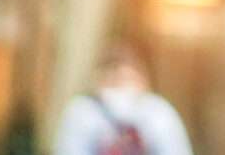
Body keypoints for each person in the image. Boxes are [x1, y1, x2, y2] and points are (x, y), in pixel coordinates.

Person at [52, 44, 191, 155]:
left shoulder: (161, 113)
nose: (121, 88)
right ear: (98, 82)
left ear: (144, 81)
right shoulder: (81, 112)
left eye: (128, 80)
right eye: (114, 81)